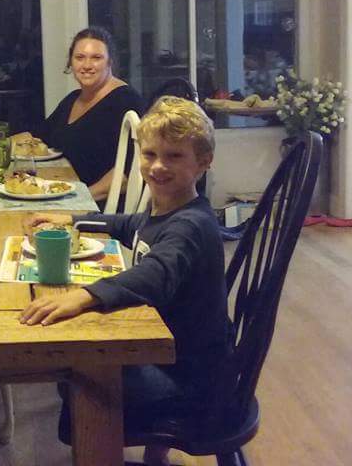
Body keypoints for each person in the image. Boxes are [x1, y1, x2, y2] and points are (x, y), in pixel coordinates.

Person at [19, 97, 231, 466]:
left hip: (189, 380)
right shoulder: (168, 209)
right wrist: (72, 219)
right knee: (82, 358)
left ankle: (99, 451)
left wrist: (85, 296)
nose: (158, 166)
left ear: (203, 162)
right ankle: (154, 455)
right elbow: (130, 225)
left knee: (83, 373)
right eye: (150, 154)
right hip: (175, 355)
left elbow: (155, 275)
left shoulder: (190, 225)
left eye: (174, 156)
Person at [0, 27, 144, 203]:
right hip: (68, 191)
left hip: (99, 205)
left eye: (96, 58)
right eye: (80, 57)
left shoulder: (126, 100)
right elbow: (38, 136)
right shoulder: (73, 99)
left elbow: (129, 174)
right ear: (71, 62)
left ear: (110, 62)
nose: (87, 65)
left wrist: (79, 198)